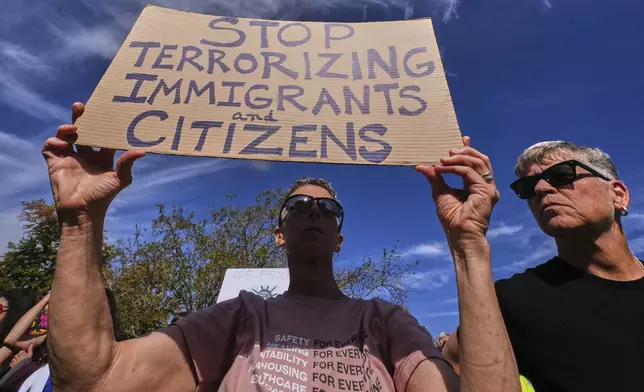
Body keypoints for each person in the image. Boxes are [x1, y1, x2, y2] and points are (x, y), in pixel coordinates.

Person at [42, 102, 520, 392]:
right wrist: (80, 223)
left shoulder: (384, 322)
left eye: (328, 210)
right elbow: (91, 382)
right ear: (279, 234)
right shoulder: (241, 318)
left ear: (339, 238)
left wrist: (469, 245)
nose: (314, 211)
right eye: (297, 205)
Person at [440, 141, 644, 392]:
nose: (541, 189)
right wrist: (468, 242)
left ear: (618, 194)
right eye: (527, 187)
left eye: (561, 175)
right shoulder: (513, 299)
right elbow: (449, 363)